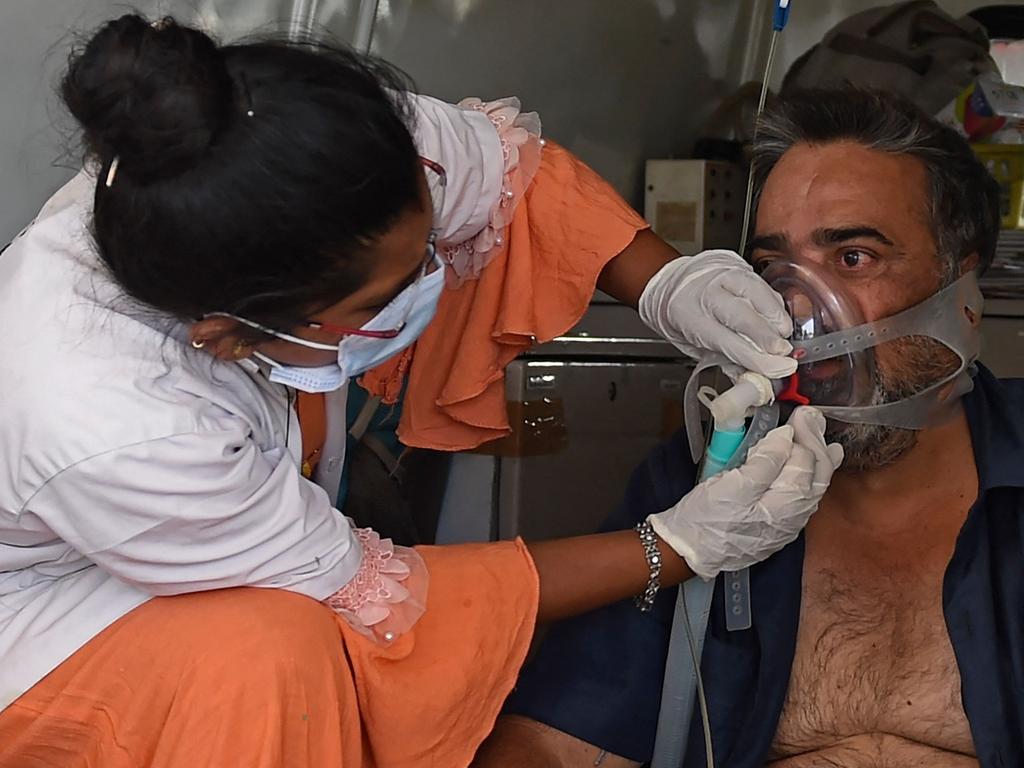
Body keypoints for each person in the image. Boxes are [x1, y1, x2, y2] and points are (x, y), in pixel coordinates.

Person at [0, 15, 844, 768]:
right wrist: (677, 546)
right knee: (268, 655)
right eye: (378, 301)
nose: (430, 286)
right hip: (37, 624)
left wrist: (671, 285)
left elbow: (513, 182)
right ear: (224, 334)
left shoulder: (334, 152)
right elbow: (375, 595)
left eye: (427, 247)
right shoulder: (110, 420)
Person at [482, 88, 1022, 767]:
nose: (801, 309)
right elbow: (550, 744)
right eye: (776, 267)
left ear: (963, 291)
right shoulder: (706, 485)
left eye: (853, 257)